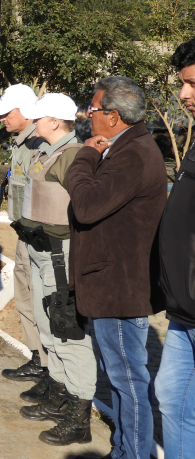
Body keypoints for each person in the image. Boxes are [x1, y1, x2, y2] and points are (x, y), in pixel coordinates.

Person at [65, 76, 167, 459]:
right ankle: (124, 448)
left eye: (92, 110)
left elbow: (88, 205)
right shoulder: (127, 146)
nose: (86, 116)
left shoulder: (133, 153)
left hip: (120, 288)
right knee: (121, 377)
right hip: (112, 284)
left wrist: (85, 156)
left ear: (112, 116)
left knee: (128, 380)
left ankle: (134, 453)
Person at [10, 93, 97, 447]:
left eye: (40, 117)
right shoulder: (48, 152)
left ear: (55, 122)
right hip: (39, 248)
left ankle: (78, 414)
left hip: (58, 255)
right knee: (49, 326)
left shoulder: (73, 155)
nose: (34, 122)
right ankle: (60, 394)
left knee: (67, 329)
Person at [0, 85, 50, 399]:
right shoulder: (20, 141)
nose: (1, 120)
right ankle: (37, 358)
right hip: (24, 235)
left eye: (6, 113)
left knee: (44, 305)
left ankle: (52, 371)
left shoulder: (41, 143)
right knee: (25, 299)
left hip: (42, 239)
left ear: (25, 112)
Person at [155, 39, 195, 459]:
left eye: (193, 84)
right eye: (183, 84)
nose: (183, 95)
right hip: (184, 313)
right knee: (172, 397)